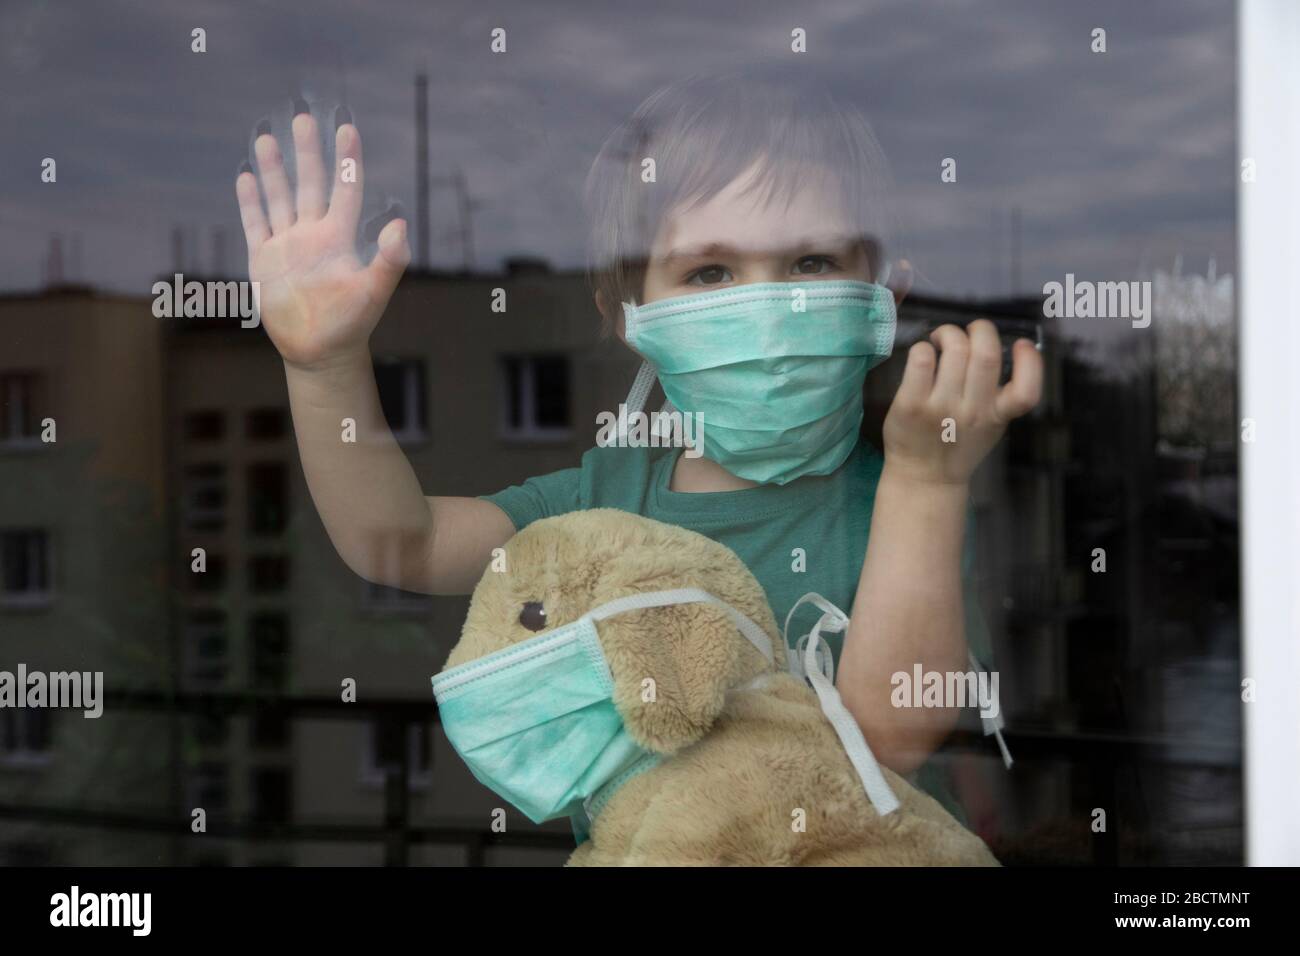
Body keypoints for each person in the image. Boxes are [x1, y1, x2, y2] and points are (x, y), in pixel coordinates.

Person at [234, 67, 1041, 823]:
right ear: (627, 312)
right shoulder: (601, 502)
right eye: (711, 274)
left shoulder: (910, 509)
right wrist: (325, 366)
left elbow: (884, 743)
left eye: (810, 261)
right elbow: (401, 544)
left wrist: (928, 488)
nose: (764, 308)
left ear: (881, 294)